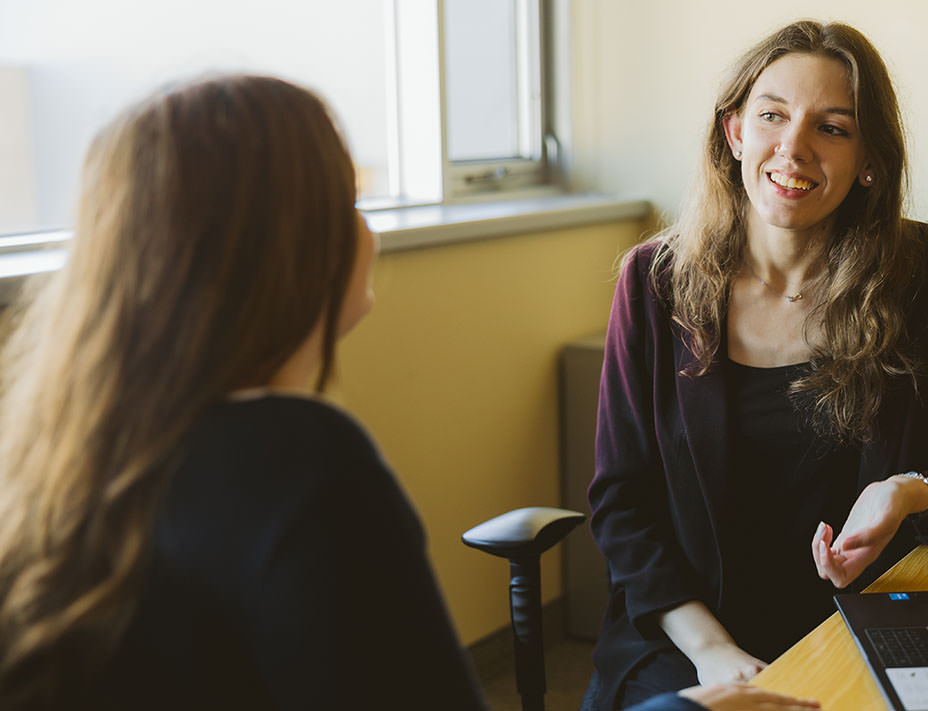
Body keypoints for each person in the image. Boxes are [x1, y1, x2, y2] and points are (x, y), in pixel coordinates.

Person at [0, 75, 819, 711]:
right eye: (350, 202)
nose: (369, 229)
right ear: (293, 248)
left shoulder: (67, 455)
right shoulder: (298, 462)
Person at [583, 20, 928, 711]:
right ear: (735, 132)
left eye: (832, 127)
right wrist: (712, 650)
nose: (792, 148)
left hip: (861, 630)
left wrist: (912, 491)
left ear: (868, 161)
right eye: (772, 116)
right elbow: (621, 503)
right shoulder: (654, 281)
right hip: (686, 635)